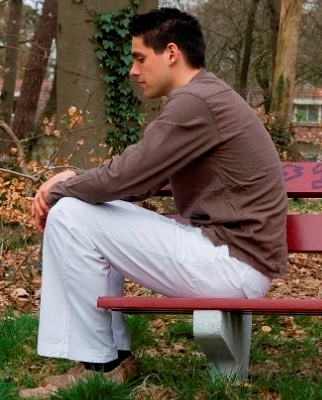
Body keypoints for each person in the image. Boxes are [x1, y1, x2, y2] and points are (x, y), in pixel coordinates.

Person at [20, 8, 287, 398]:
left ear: (172, 53)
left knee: (72, 215)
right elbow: (137, 182)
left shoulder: (196, 103)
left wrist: (61, 187)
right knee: (83, 211)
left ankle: (101, 367)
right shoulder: (204, 97)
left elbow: (127, 175)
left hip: (233, 263)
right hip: (230, 256)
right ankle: (113, 357)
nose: (132, 70)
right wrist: (74, 186)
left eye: (140, 57)